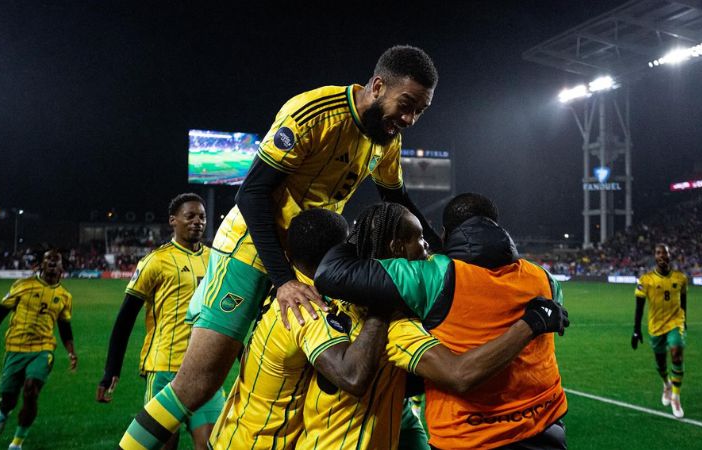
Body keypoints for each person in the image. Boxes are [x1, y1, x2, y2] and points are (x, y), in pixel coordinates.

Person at [119, 44, 441, 450]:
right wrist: (284, 280)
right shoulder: (313, 113)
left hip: (308, 262)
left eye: (420, 111)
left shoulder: (385, 139)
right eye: (406, 105)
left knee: (299, 376)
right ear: (378, 86)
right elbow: (251, 193)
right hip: (251, 252)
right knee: (196, 386)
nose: (409, 119)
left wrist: (453, 252)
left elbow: (399, 204)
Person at [297, 203, 568, 450]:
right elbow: (457, 374)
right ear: (395, 248)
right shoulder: (398, 324)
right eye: (419, 237)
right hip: (507, 432)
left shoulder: (312, 304)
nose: (429, 245)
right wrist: (531, 323)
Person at [208, 208, 390, 449]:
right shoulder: (305, 306)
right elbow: (352, 376)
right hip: (260, 443)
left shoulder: (285, 286)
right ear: (337, 254)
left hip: (233, 431)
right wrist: (382, 305)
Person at [99, 193, 222, 449]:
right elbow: (125, 319)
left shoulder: (216, 260)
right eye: (190, 216)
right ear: (173, 221)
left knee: (212, 444)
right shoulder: (156, 261)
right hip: (164, 369)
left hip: (205, 369)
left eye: (202, 217)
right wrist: (111, 369)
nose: (197, 221)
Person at [0, 250, 76, 450]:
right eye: (49, 260)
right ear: (41, 264)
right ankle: (4, 412)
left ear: (62, 267)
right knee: (9, 399)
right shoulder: (22, 286)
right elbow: (0, 314)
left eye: (57, 261)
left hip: (43, 349)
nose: (53, 264)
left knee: (31, 390)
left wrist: (71, 351)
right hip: (15, 348)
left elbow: (65, 327)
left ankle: (16, 443)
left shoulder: (65, 296)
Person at [632, 243, 688, 418]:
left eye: (665, 253)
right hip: (655, 326)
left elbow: (684, 301)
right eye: (658, 253)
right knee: (661, 363)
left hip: (675, 323)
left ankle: (676, 397)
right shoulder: (645, 280)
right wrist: (636, 330)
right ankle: (666, 384)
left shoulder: (680, 278)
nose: (662, 256)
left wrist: (685, 321)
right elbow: (639, 307)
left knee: (677, 352)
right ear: (655, 257)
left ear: (669, 256)